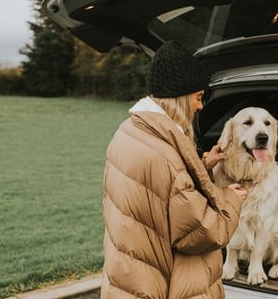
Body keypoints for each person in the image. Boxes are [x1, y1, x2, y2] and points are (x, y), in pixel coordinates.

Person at [100, 40, 247, 299]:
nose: (201, 106)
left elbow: (157, 191)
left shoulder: (128, 131)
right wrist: (231, 198)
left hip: (129, 276)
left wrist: (203, 167)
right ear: (179, 97)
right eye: (198, 98)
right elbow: (201, 232)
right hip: (160, 283)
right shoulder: (166, 154)